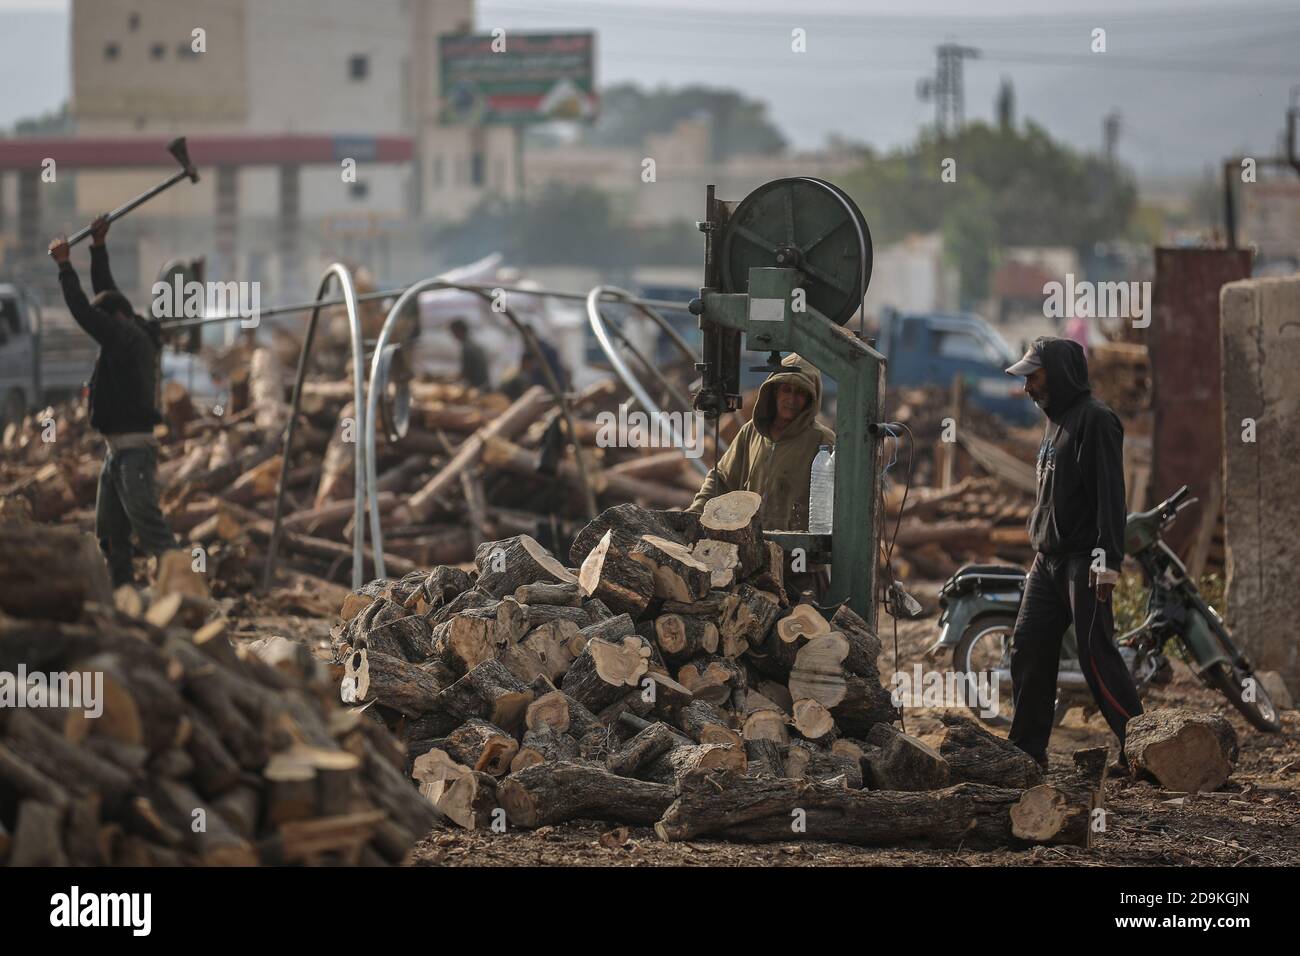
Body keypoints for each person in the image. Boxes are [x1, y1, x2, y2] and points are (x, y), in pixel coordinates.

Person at [1004, 336, 1143, 771]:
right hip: (1047, 562)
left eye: (1034, 376)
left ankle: (1143, 748)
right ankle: (1026, 751)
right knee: (1029, 648)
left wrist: (1109, 561)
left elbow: (1110, 496)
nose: (1027, 386)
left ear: (1060, 373)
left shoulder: (1095, 421)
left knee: (1095, 654)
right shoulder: (1053, 420)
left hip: (1085, 560)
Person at [48, 216, 178, 589]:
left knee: (151, 531)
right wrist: (97, 247)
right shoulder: (130, 326)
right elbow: (106, 293)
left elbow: (86, 312)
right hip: (116, 452)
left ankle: (188, 592)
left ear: (114, 320)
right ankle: (122, 595)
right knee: (110, 535)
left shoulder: (125, 337)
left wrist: (64, 267)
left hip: (133, 453)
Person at [688, 353, 833, 598]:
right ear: (773, 392)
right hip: (750, 557)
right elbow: (722, 479)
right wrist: (693, 517)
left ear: (811, 399)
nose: (791, 399)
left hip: (799, 565)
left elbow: (834, 501)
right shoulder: (751, 433)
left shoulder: (822, 440)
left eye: (800, 393)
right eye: (785, 390)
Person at [448, 317, 490, 389]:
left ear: (460, 331)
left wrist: (451, 380)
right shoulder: (472, 344)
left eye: (454, 332)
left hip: (479, 387)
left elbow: (467, 373)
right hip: (484, 384)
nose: (453, 336)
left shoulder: (468, 348)